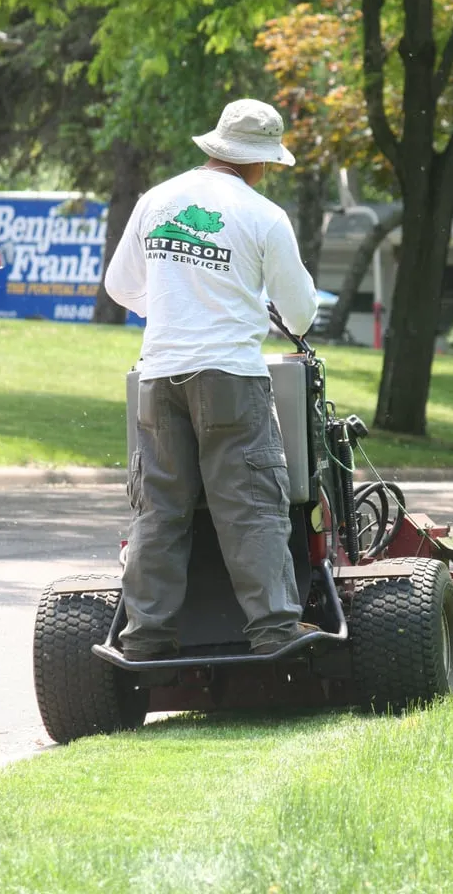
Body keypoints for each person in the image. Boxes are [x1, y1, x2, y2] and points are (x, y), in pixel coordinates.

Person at [104, 98, 319, 660]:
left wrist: (177, 308)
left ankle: (146, 637)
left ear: (218, 146)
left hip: (158, 378)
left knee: (159, 508)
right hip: (231, 378)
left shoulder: (157, 199)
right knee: (250, 503)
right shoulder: (264, 215)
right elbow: (299, 315)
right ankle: (274, 628)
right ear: (261, 161)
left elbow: (120, 286)